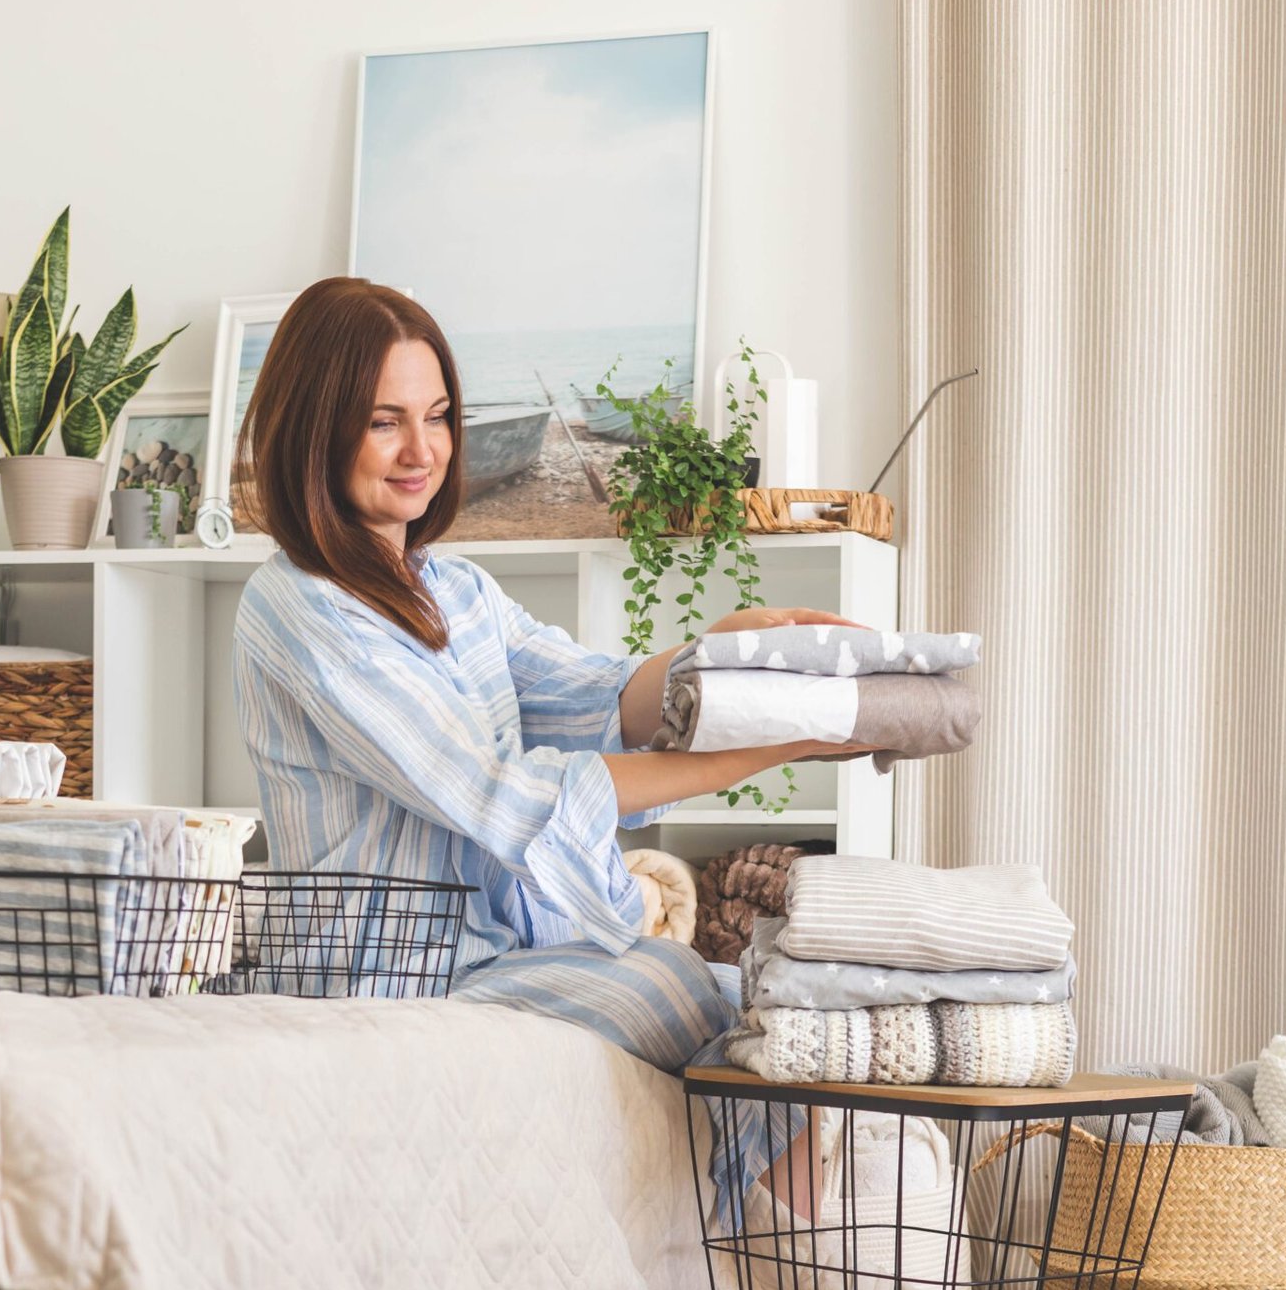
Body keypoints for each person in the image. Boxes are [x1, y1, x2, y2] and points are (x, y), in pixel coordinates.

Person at [231, 278, 868, 1224]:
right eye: (384, 423)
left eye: (440, 415)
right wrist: (759, 749)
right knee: (696, 994)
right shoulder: (299, 610)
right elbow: (494, 790)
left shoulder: (453, 588)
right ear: (315, 433)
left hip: (487, 954)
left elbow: (599, 696)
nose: (424, 451)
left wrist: (728, 652)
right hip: (384, 973)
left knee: (777, 1021)